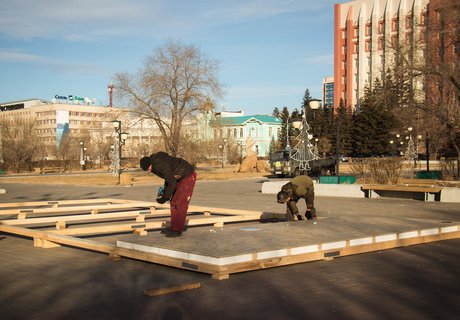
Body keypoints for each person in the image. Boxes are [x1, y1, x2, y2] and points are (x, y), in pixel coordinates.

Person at [140, 152, 196, 237]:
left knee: (180, 203)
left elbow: (172, 182)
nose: (149, 171)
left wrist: (165, 197)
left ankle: (177, 229)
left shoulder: (160, 165)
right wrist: (164, 195)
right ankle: (174, 227)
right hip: (178, 177)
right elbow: (168, 179)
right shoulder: (156, 164)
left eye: (148, 169)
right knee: (173, 202)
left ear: (150, 164)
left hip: (187, 176)